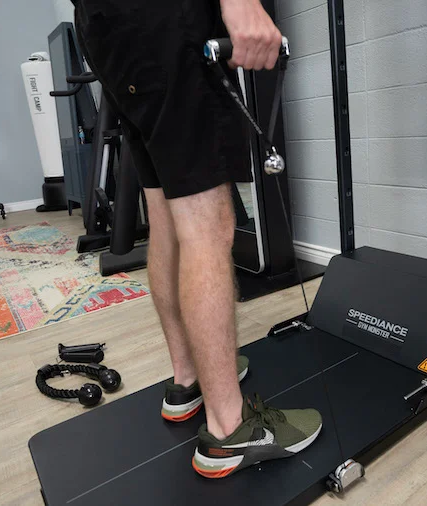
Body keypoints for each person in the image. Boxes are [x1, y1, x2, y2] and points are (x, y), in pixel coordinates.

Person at [73, 0, 322, 478]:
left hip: (104, 25)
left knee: (169, 216)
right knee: (208, 226)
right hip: (165, 18)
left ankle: (187, 383)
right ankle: (229, 429)